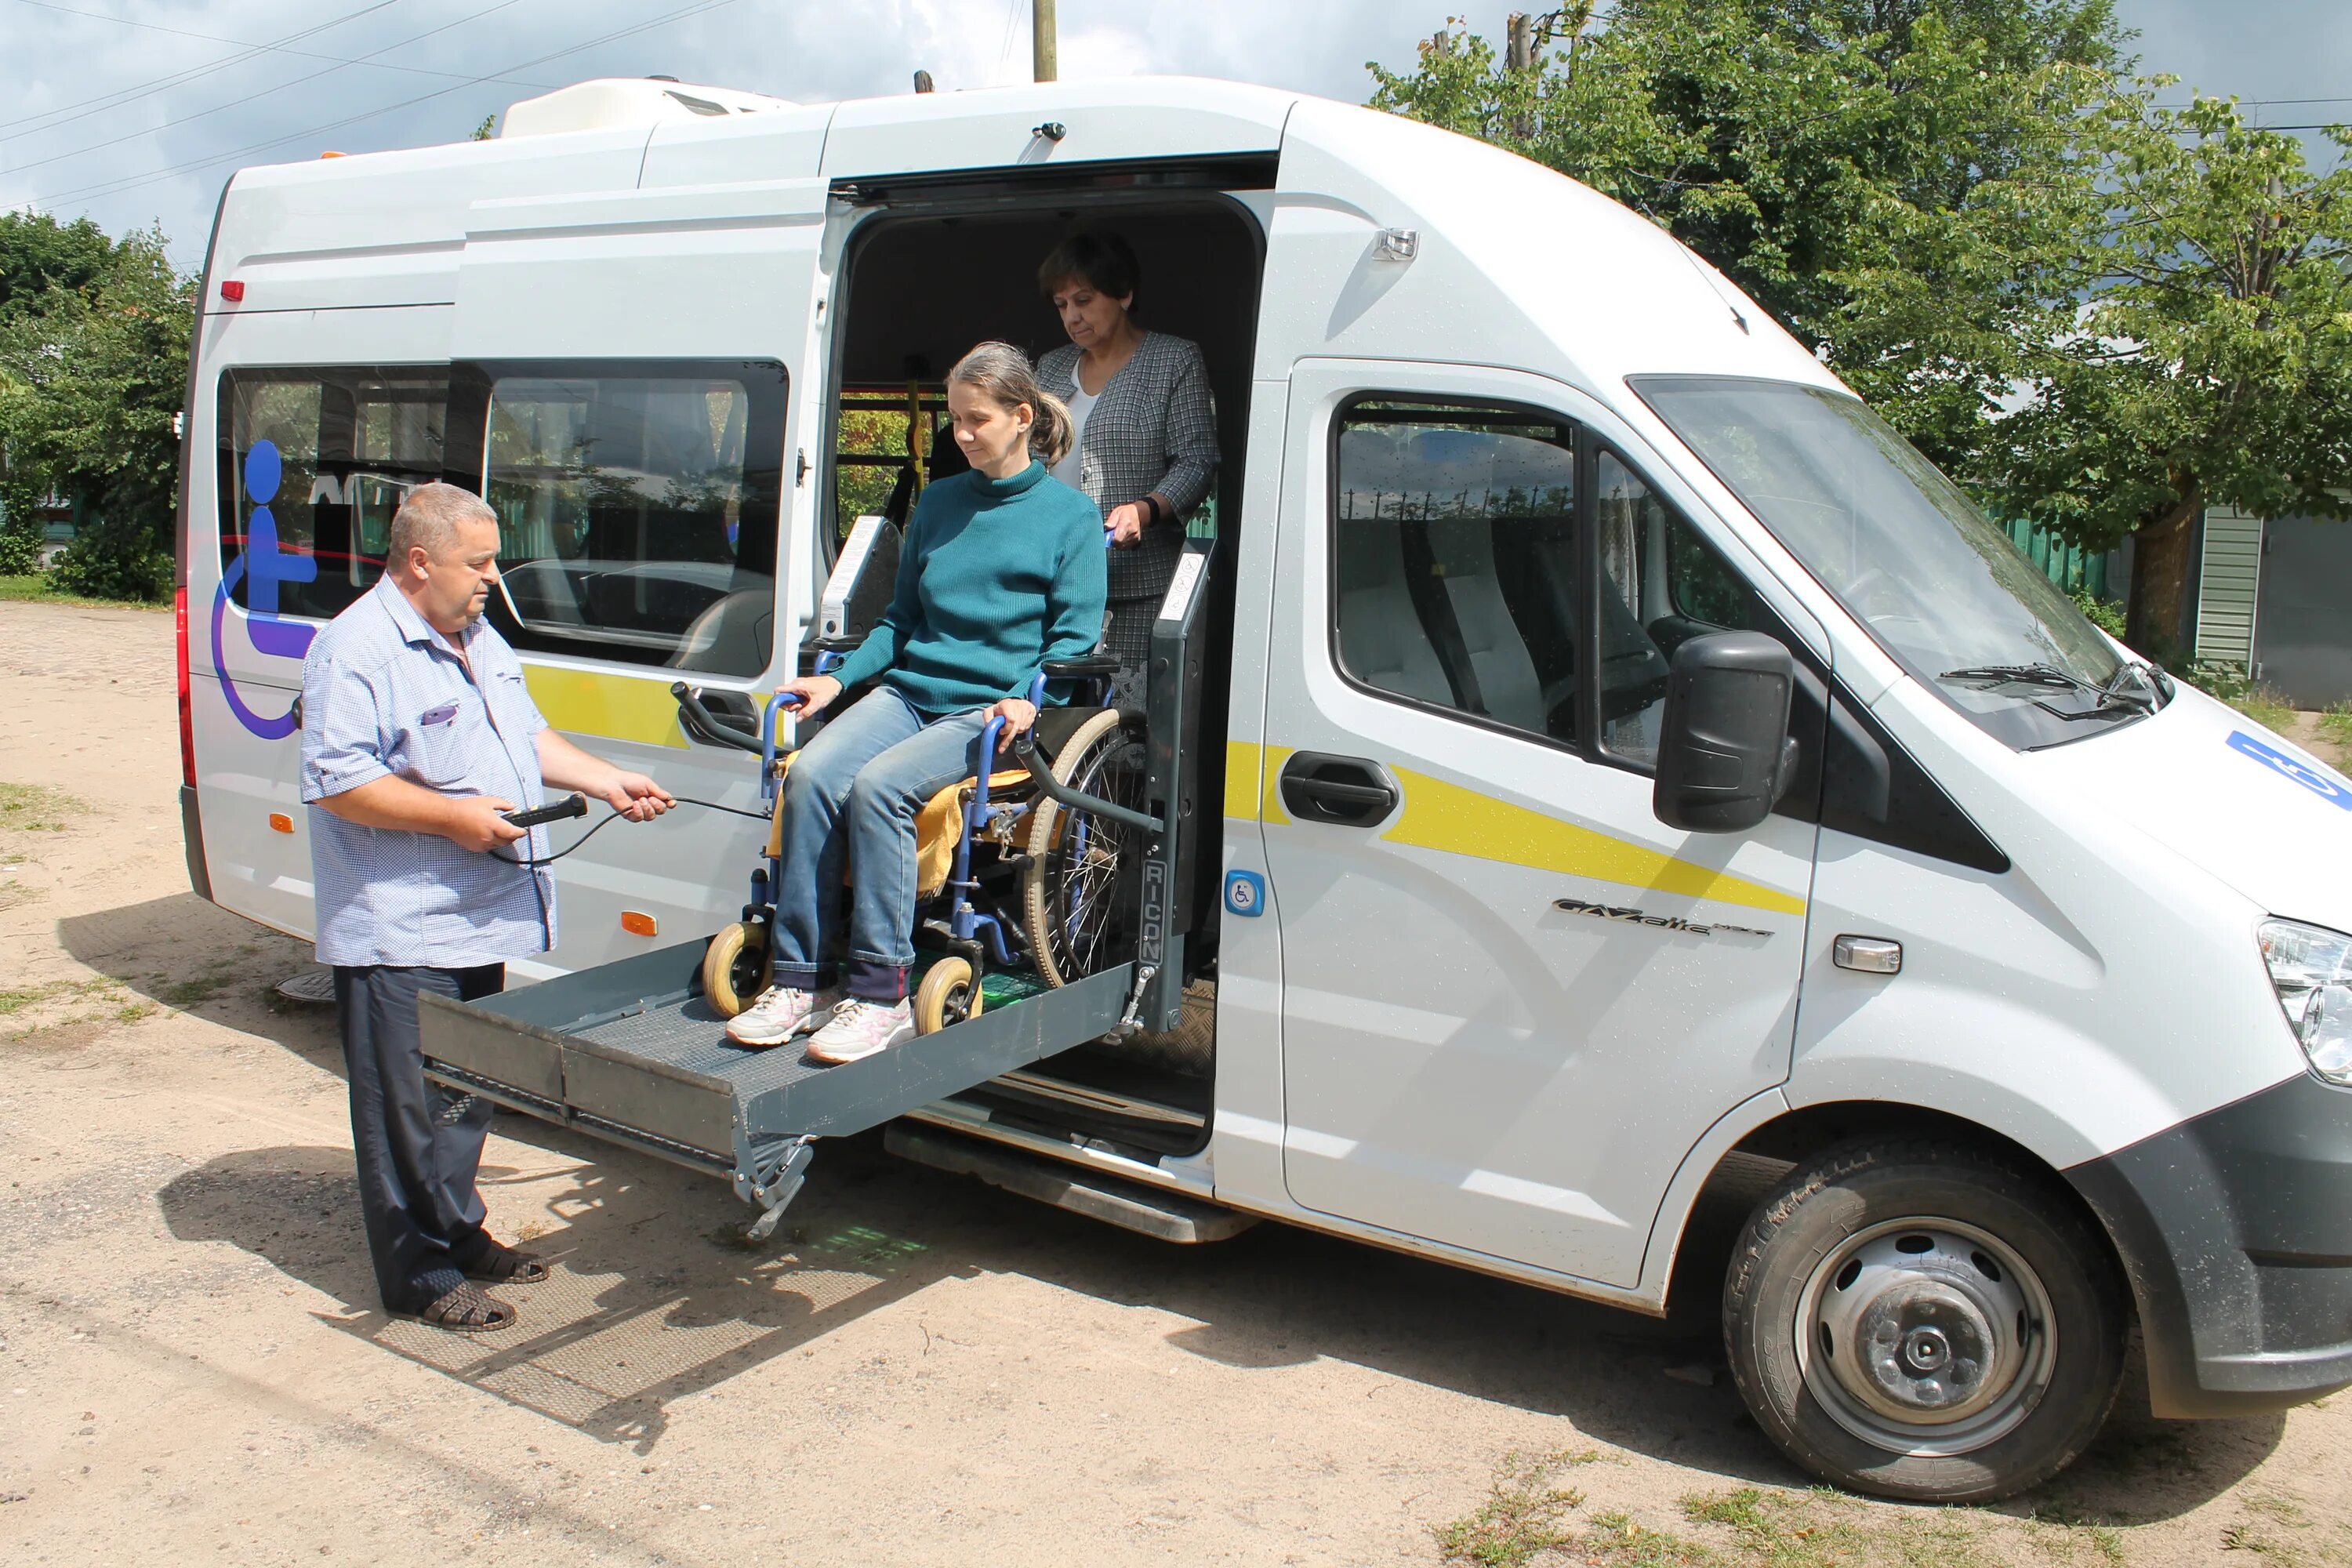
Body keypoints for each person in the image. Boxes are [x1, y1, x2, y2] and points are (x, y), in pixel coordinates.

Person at [299, 482, 674, 1333]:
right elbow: (340, 782)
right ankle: (419, 1271)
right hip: (404, 922)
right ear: (420, 560)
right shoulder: (354, 649)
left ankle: (460, 1232)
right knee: (406, 1105)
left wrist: (604, 778)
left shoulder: (475, 633)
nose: (493, 578)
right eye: (478, 562)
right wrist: (453, 816)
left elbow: (524, 734)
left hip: (482, 909)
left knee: (466, 1090)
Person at [724, 342, 1107, 1062]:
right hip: (910, 694)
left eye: (976, 420)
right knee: (808, 776)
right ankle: (801, 979)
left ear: (1022, 418)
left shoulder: (1071, 519)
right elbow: (900, 623)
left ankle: (881, 993)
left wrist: (1036, 698)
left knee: (879, 790)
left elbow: (1076, 639)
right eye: (955, 419)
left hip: (991, 710)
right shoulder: (938, 502)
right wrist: (836, 681)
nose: (960, 435)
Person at [1033, 228, 1218, 693]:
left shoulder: (1173, 359)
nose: (1072, 317)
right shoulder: (1050, 368)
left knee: (1121, 726)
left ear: (1124, 295)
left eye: (1084, 300)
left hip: (1135, 587)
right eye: (1062, 306)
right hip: (1050, 581)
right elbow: (1028, 458)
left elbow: (1196, 462)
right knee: (1048, 717)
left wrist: (1145, 509)